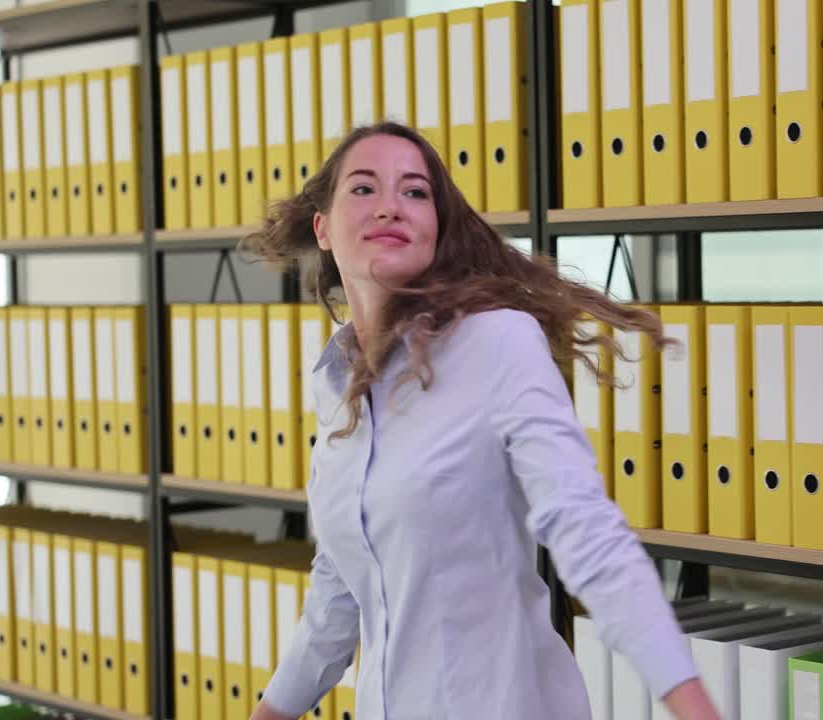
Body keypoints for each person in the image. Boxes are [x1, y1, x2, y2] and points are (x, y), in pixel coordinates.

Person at [243, 121, 721, 720]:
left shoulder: (495, 342)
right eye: (364, 189)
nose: (391, 205)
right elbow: (343, 581)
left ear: (436, 229)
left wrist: (689, 700)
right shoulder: (335, 380)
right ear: (323, 228)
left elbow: (581, 524)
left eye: (415, 192)